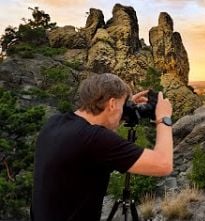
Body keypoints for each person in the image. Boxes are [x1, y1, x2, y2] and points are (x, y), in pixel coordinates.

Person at [31, 73, 173, 220]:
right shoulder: (95, 139)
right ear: (111, 104)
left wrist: (123, 109)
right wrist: (163, 118)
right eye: (121, 105)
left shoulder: (54, 123)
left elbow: (102, 129)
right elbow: (163, 164)